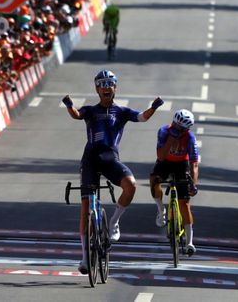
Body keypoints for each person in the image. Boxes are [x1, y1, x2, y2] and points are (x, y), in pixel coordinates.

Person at [62, 69, 164, 274]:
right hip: (90, 160)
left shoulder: (122, 112)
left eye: (110, 84)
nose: (106, 87)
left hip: (110, 159)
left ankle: (114, 222)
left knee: (131, 185)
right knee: (85, 208)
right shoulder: (90, 110)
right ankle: (84, 258)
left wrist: (153, 107)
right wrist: (69, 105)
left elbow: (142, 118)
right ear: (97, 89)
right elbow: (76, 115)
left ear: (115, 88)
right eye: (102, 84)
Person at [150, 109, 199, 256]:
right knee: (154, 180)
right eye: (175, 126)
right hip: (165, 162)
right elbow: (160, 156)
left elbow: (194, 164)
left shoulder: (190, 138)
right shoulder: (164, 131)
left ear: (186, 129)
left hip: (181, 166)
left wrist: (193, 184)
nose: (177, 129)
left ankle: (190, 242)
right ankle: (161, 211)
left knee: (184, 203)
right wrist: (171, 140)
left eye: (181, 129)